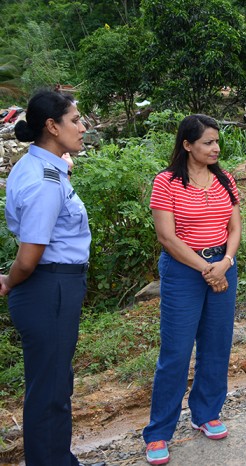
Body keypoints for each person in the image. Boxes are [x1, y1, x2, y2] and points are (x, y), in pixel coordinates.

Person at [143, 115, 242, 465]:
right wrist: (206, 269)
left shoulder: (225, 179)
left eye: (217, 142)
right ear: (187, 145)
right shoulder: (166, 182)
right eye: (207, 143)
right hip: (184, 271)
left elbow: (234, 227)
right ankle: (158, 432)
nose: (216, 148)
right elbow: (167, 237)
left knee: (217, 345)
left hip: (223, 266)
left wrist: (225, 263)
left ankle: (206, 413)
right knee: (176, 351)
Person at [0, 90, 90, 465]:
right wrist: (9, 280)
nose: (82, 128)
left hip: (51, 286)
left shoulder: (37, 165)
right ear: (52, 126)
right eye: (75, 120)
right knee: (50, 389)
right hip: (49, 286)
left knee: (53, 382)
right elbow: (29, 256)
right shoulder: (44, 181)